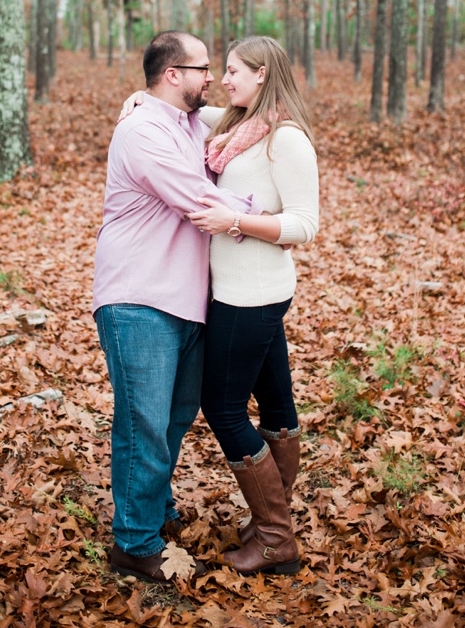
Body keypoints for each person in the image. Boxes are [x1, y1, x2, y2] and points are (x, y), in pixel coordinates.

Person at [93, 30, 254, 584]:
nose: (211, 76)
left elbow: (255, 113)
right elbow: (196, 197)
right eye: (202, 67)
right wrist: (260, 214)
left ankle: (154, 514)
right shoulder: (142, 131)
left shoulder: (188, 121)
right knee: (143, 425)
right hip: (138, 298)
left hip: (186, 301)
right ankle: (134, 544)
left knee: (173, 421)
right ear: (172, 74)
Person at [183, 36, 319, 575]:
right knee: (278, 407)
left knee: (221, 408)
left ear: (262, 75)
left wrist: (234, 221)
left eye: (235, 70)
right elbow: (199, 111)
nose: (223, 79)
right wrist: (141, 100)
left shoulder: (285, 141)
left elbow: (305, 225)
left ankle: (276, 538)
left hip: (251, 296)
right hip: (242, 290)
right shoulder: (240, 128)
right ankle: (272, 521)